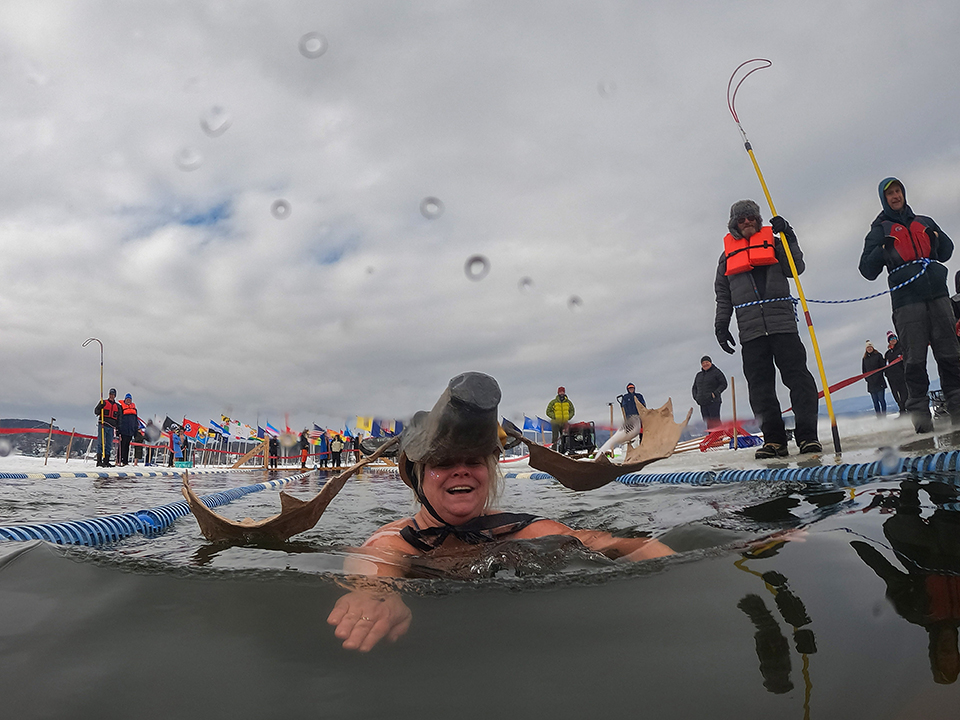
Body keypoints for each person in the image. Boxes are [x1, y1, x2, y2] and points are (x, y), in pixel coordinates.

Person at [327, 372, 674, 652]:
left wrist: (668, 569)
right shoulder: (397, 541)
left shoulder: (524, 531)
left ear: (489, 471)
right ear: (418, 478)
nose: (460, 470)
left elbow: (618, 545)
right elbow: (373, 567)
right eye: (443, 462)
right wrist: (374, 595)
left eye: (474, 461)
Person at [714, 200, 821, 458]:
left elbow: (796, 268)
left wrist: (789, 236)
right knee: (760, 389)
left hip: (782, 325)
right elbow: (723, 294)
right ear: (734, 224)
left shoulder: (774, 242)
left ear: (758, 219)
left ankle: (808, 437)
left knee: (800, 381)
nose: (747, 221)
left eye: (751, 217)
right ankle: (774, 440)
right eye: (742, 219)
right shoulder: (726, 256)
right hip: (750, 332)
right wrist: (721, 323)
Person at [859, 177, 960, 433]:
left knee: (950, 356)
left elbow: (947, 251)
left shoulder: (924, 222)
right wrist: (882, 250)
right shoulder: (879, 230)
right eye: (890, 193)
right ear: (884, 199)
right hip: (907, 304)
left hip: (938, 297)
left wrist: (936, 237)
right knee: (915, 361)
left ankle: (958, 410)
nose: (895, 196)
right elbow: (867, 270)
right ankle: (922, 421)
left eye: (898, 191)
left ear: (903, 193)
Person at [691, 356, 728, 430]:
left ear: (710, 362)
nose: (705, 364)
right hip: (702, 402)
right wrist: (696, 397)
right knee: (708, 422)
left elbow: (724, 384)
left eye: (707, 362)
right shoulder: (699, 375)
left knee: (715, 421)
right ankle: (712, 437)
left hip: (713, 401)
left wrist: (715, 393)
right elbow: (694, 387)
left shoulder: (716, 372)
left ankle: (719, 437)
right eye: (703, 363)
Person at [93, 388, 121, 467]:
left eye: (113, 395)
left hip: (111, 427)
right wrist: (100, 407)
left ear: (115, 396)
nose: (111, 396)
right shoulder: (103, 402)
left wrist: (118, 429)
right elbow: (96, 411)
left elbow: (119, 419)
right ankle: (99, 461)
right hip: (103, 424)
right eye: (110, 394)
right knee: (100, 443)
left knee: (109, 444)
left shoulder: (118, 407)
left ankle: (106, 461)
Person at [545, 387, 575, 453]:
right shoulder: (553, 402)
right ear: (558, 393)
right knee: (555, 437)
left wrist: (568, 417)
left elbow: (572, 411)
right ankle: (554, 451)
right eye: (560, 392)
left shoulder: (568, 402)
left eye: (563, 392)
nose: (562, 393)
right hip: (555, 423)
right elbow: (548, 411)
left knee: (566, 437)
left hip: (564, 423)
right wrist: (554, 416)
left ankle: (564, 450)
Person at [862, 341, 888, 418]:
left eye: (870, 347)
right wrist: (868, 379)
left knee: (881, 400)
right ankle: (879, 417)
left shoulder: (878, 355)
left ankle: (884, 416)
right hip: (871, 384)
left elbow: (883, 366)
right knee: (875, 402)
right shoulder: (864, 359)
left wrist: (879, 376)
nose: (869, 348)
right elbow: (864, 371)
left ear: (873, 347)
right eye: (867, 347)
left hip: (879, 381)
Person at [885, 331, 908, 414]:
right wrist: (887, 374)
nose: (893, 340)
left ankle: (907, 410)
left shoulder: (901, 349)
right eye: (891, 339)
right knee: (896, 394)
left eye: (894, 338)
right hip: (892, 378)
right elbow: (886, 365)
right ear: (889, 341)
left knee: (904, 393)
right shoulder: (887, 354)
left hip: (901, 375)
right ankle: (901, 410)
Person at [118, 393, 139, 466]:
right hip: (123, 429)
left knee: (127, 446)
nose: (128, 401)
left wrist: (135, 430)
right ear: (125, 400)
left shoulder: (134, 409)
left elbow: (136, 421)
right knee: (122, 445)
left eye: (130, 399)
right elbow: (119, 419)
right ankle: (119, 460)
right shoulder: (121, 408)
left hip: (130, 430)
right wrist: (119, 430)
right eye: (127, 399)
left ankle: (125, 461)